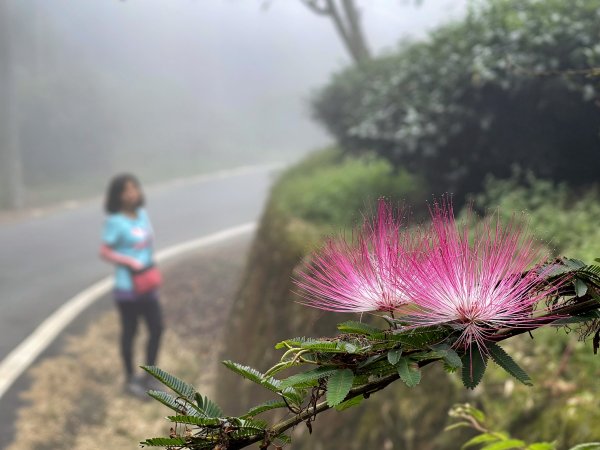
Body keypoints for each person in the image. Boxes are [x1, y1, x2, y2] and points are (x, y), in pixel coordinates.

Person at [100, 173, 163, 397]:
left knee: (157, 328)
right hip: (127, 287)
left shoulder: (142, 215)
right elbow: (105, 251)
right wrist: (129, 261)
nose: (132, 193)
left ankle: (151, 377)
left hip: (148, 283)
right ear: (117, 196)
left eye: (134, 188)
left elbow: (148, 245)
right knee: (130, 331)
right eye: (126, 190)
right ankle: (130, 380)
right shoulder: (115, 222)